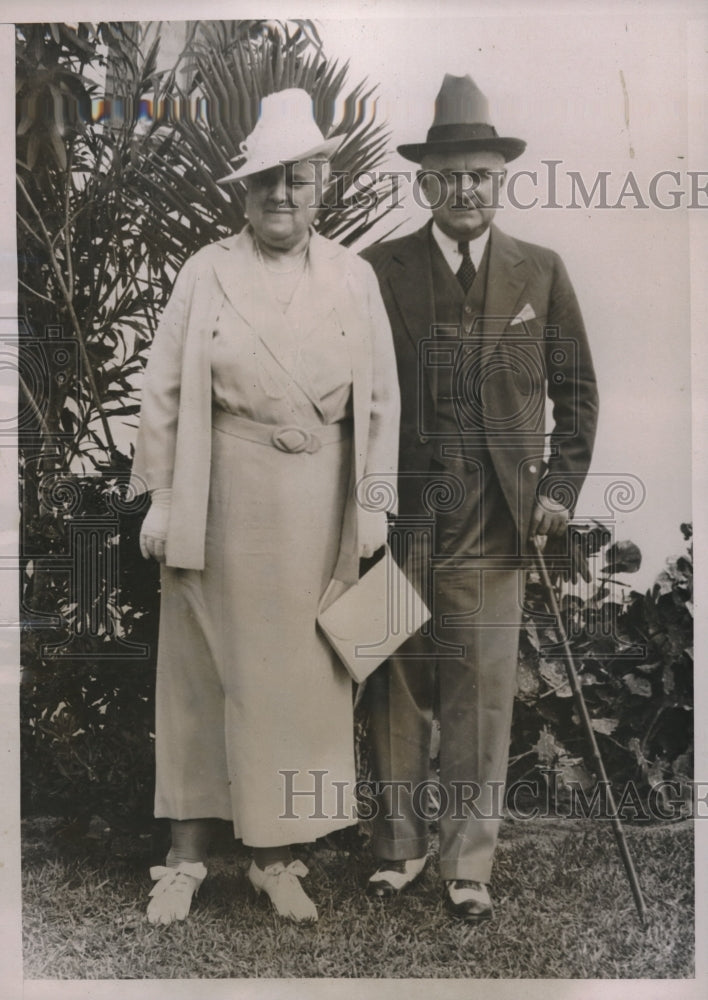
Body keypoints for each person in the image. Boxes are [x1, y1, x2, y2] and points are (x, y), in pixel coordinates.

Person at [131, 88, 400, 925]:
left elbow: (382, 401)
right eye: (265, 181)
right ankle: (185, 857)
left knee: (301, 681)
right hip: (224, 497)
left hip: (319, 504)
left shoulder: (353, 278)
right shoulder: (207, 271)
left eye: (298, 180)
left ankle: (277, 858)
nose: (281, 196)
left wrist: (374, 506)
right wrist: (164, 498)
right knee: (202, 674)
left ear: (322, 186)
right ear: (242, 192)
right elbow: (167, 391)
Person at [361, 74, 598, 923]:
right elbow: (355, 395)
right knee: (396, 678)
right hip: (399, 515)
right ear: (425, 183)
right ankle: (398, 847)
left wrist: (560, 490)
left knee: (481, 684)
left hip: (499, 517)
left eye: (481, 176)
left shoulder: (542, 272)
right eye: (449, 175)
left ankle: (468, 862)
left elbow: (577, 393)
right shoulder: (377, 271)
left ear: (500, 181)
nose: (465, 190)